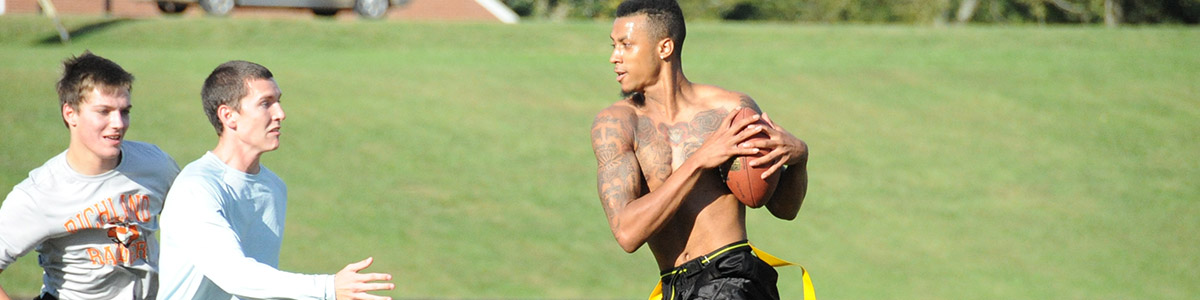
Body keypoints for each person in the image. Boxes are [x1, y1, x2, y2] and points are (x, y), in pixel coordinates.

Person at [589, 0, 811, 299]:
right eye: (614, 45)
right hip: (674, 287)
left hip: (732, 278)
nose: (615, 57)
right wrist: (699, 161)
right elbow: (628, 234)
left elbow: (784, 209)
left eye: (626, 45)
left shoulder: (732, 110)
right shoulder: (615, 124)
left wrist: (799, 161)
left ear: (664, 48)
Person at [156, 60, 394, 300]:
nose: (280, 114)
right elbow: (233, 274)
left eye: (278, 101)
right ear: (229, 116)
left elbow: (261, 286)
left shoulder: (273, 187)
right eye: (265, 104)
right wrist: (327, 288)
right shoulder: (197, 188)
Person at [0, 52, 180, 300]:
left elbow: (194, 223)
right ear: (70, 114)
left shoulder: (155, 165)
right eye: (104, 111)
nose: (118, 123)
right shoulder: (39, 194)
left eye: (124, 111)